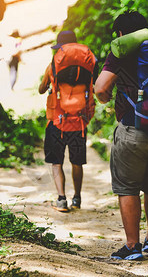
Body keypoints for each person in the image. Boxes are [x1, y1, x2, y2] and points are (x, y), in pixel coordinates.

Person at [94, 11, 148, 260]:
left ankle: (132, 246)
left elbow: (100, 87)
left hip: (132, 129)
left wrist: (105, 98)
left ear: (120, 34)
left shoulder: (119, 52)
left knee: (128, 188)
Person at [39, 30, 96, 212]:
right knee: (77, 162)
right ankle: (77, 199)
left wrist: (48, 83)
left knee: (57, 162)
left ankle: (61, 199)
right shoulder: (86, 67)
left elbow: (41, 89)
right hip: (79, 122)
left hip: (57, 121)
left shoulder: (52, 67)